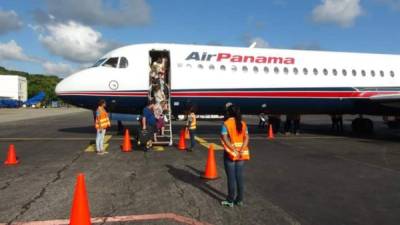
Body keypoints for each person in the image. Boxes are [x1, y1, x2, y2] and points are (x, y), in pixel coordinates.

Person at [220, 105, 250, 207]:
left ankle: (230, 200)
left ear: (228, 113)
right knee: (239, 177)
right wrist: (241, 149)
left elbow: (224, 138)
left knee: (231, 178)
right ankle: (240, 200)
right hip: (241, 154)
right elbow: (246, 138)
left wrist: (233, 149)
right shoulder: (243, 123)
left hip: (230, 154)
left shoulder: (226, 124)